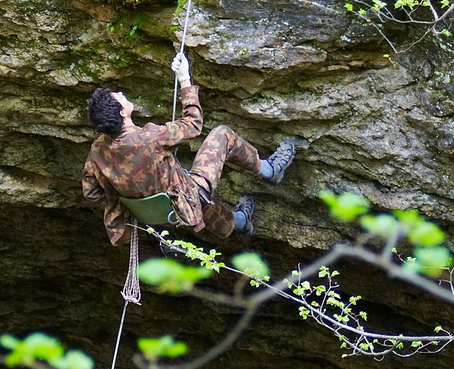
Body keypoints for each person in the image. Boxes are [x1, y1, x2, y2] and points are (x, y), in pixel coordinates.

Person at [82, 51, 295, 245]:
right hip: (184, 200)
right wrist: (184, 78)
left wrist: (138, 197)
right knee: (221, 135)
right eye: (118, 97)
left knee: (192, 195)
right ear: (122, 113)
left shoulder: (98, 149)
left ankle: (240, 223)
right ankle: (269, 170)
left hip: (158, 216)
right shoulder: (150, 138)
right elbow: (193, 124)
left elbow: (91, 193)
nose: (121, 93)